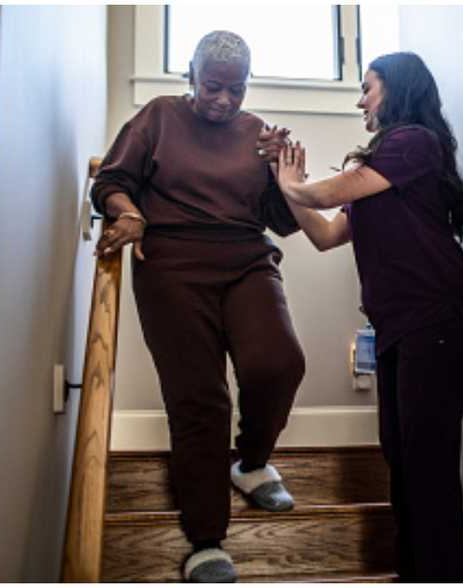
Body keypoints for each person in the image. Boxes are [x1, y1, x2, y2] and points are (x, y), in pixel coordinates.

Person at [266, 51, 463, 582]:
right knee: (401, 454)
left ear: (399, 89)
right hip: (400, 328)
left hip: (439, 318)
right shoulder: (382, 171)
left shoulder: (413, 143)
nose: (360, 98)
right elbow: (323, 235)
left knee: (427, 461)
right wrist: (284, 182)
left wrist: (293, 184)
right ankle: (414, 571)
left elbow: (321, 192)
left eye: (368, 87)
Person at [91, 31, 305, 583]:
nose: (225, 101)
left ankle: (251, 464)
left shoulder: (256, 132)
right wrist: (128, 213)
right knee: (200, 400)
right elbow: (112, 181)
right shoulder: (158, 117)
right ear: (190, 75)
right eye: (214, 86)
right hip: (172, 267)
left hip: (246, 260)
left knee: (278, 362)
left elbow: (281, 220)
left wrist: (280, 169)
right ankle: (206, 540)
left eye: (236, 89)